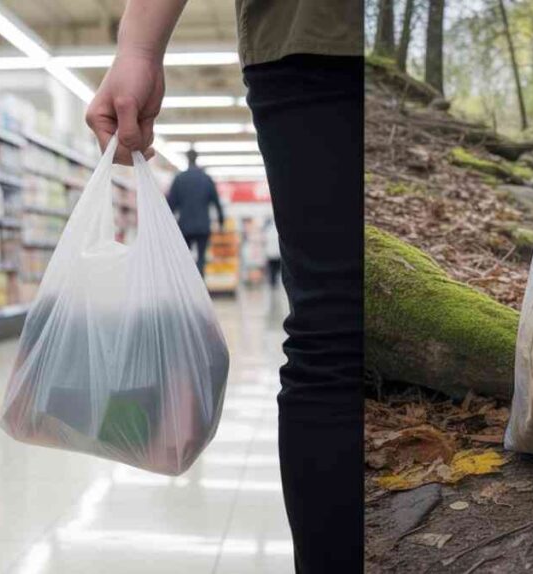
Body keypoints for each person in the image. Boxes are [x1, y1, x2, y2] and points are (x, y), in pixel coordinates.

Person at [84, 1, 364, 573]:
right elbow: (210, 207)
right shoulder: (206, 180)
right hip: (335, 33)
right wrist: (209, 224)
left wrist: (139, 47)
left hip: (302, 38)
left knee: (327, 331)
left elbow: (169, 201)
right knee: (343, 327)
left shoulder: (184, 177)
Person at [166, 148, 224, 276]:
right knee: (201, 258)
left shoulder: (179, 179)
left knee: (185, 258)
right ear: (197, 158)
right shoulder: (206, 179)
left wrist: (167, 226)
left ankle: (188, 286)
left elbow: (171, 204)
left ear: (187, 158)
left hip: (184, 225)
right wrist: (221, 223)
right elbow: (216, 202)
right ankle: (200, 286)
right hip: (203, 225)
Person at [263, 217, 282, 288]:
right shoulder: (277, 230)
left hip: (271, 254)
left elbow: (265, 242)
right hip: (277, 254)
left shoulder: (267, 230)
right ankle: (276, 283)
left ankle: (273, 284)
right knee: (277, 270)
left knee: (273, 270)